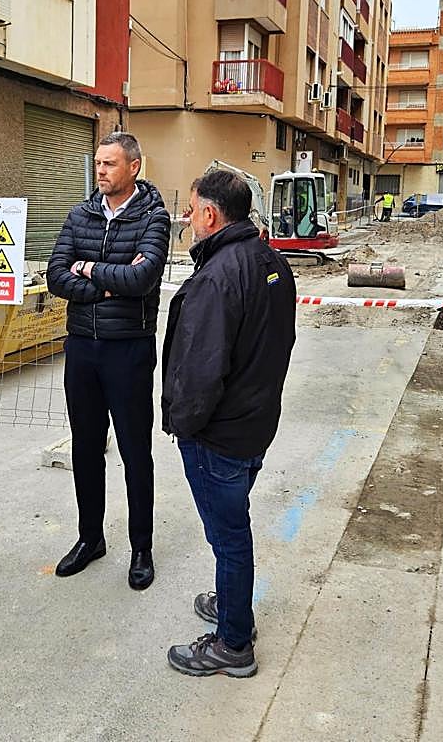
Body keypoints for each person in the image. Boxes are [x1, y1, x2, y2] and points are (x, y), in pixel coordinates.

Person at [161, 169, 297, 678]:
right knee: (232, 531)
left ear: (212, 215)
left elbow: (200, 368)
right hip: (256, 422)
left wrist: (184, 425)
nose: (188, 218)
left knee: (229, 537)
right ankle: (232, 604)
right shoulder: (272, 262)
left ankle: (233, 644)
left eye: (193, 209)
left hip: (219, 435)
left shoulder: (217, 277)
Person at [46, 132, 171, 590]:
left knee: (136, 451)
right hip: (82, 347)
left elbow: (142, 278)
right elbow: (56, 275)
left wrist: (90, 268)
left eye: (110, 164)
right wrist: (104, 284)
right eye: (98, 163)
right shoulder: (79, 215)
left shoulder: (153, 218)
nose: (101, 171)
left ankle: (142, 547)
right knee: (86, 447)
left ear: (134, 167)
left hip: (128, 348)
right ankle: (89, 537)